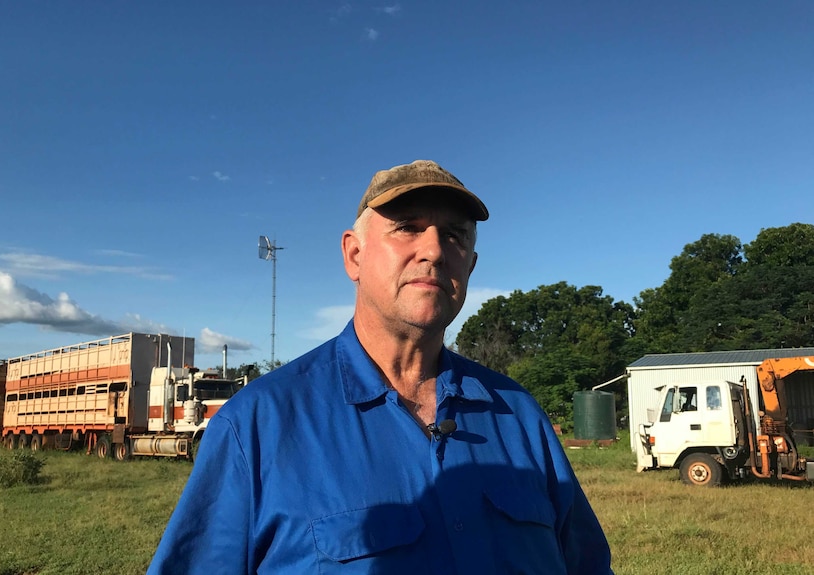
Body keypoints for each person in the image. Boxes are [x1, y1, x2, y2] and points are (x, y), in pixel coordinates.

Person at [147, 160, 614, 574]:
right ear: (354, 254)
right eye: (408, 227)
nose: (433, 250)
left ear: (470, 265)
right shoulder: (257, 426)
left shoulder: (519, 415)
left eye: (454, 235)